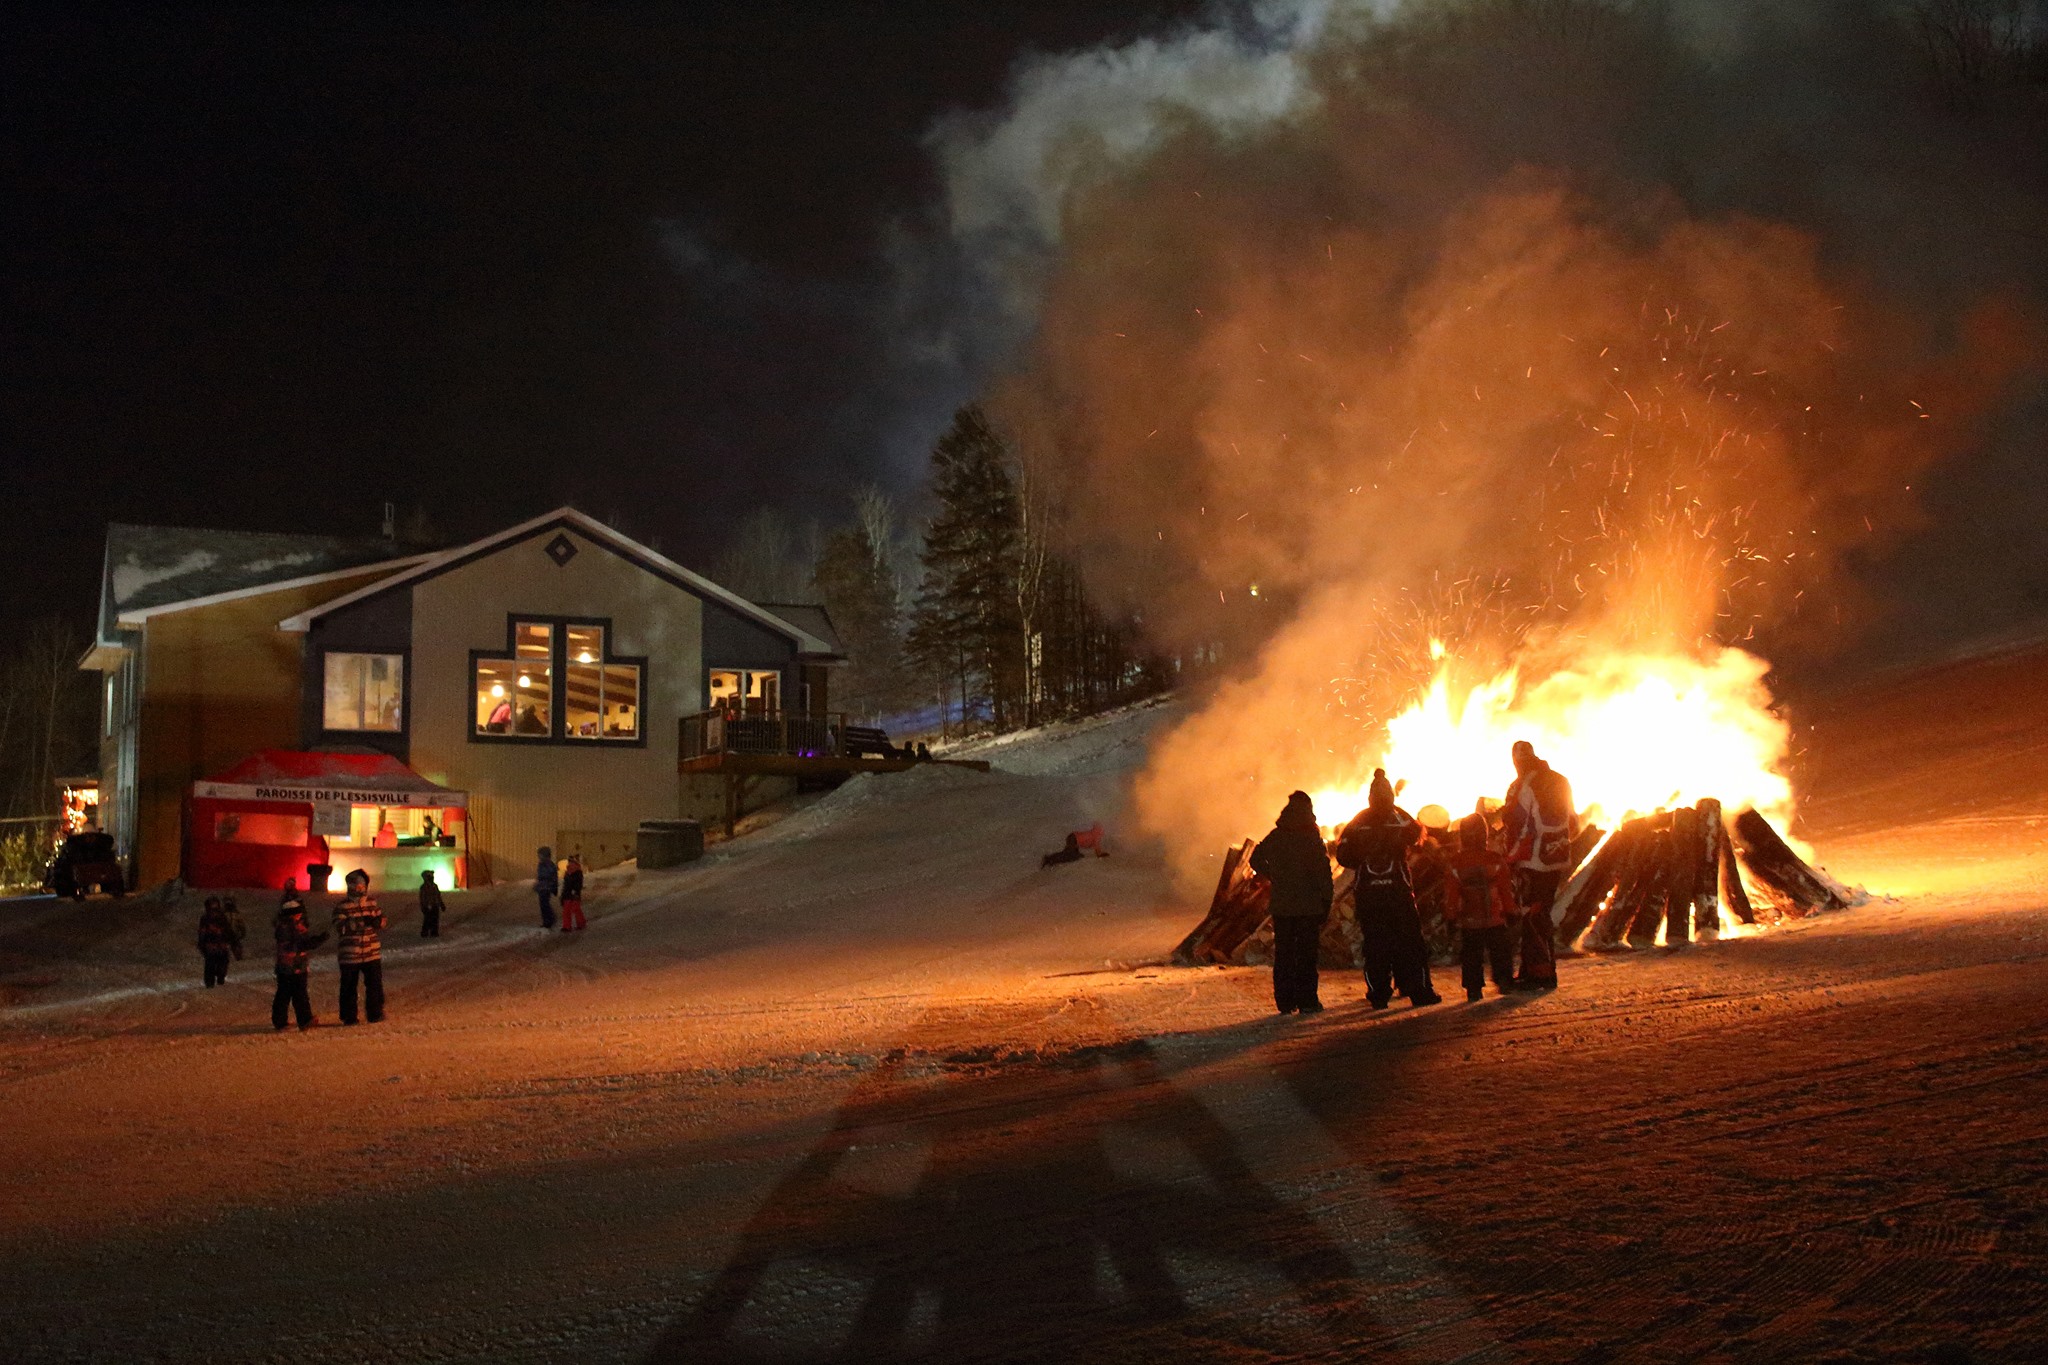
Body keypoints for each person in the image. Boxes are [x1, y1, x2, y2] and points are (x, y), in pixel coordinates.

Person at [1335, 769, 1442, 1009]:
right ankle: (1419, 991)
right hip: (1398, 891)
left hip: (1369, 893)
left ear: (1370, 797)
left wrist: (1363, 861)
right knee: (1410, 943)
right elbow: (1418, 835)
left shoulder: (1358, 821)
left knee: (1375, 944)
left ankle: (1379, 995)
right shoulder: (1399, 818)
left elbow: (1343, 854)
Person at [1502, 740, 1578, 991]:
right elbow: (1573, 821)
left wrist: (1510, 857)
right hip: (1556, 858)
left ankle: (1540, 975)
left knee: (1531, 915)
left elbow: (1515, 823)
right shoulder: (1561, 780)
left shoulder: (1521, 785)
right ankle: (1537, 970)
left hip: (1532, 860)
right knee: (1541, 912)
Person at [1250, 790, 1335, 1015]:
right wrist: (1327, 900)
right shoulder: (1311, 838)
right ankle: (1308, 1001)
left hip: (1283, 907)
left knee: (1284, 955)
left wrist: (1273, 875)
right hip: (1308, 908)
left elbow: (1255, 858)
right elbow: (1323, 873)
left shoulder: (1277, 835)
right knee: (1306, 955)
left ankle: (1285, 1002)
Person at [1447, 814, 1517, 1001]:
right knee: (1500, 951)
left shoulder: (1456, 863)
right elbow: (1505, 890)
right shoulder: (1495, 860)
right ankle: (1504, 980)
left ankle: (1473, 987)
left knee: (1471, 955)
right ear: (1484, 836)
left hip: (1470, 921)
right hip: (1496, 918)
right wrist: (1510, 912)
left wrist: (1451, 917)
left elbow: (1452, 894)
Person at [332, 868, 386, 1025]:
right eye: (358, 885)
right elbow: (339, 926)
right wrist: (361, 923)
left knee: (374, 984)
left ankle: (375, 1012)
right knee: (349, 986)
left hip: (371, 951)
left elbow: (380, 918)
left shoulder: (371, 902)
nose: (361, 888)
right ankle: (349, 1016)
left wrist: (379, 922)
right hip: (351, 954)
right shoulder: (343, 906)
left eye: (363, 885)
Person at [272, 882, 326, 1031]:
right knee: (286, 994)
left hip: (298, 965)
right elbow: (295, 944)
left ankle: (304, 1019)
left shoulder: (296, 925)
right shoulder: (286, 927)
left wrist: (314, 941)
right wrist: (312, 942)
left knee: (299, 993)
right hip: (288, 966)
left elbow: (303, 942)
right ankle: (282, 1021)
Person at [197, 896, 236, 988]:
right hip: (211, 946)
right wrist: (202, 944)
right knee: (210, 965)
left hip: (221, 945)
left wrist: (229, 940)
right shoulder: (205, 919)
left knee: (223, 963)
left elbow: (228, 930)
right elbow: (202, 932)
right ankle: (210, 982)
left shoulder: (222, 917)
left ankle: (220, 977)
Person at [559, 854, 586, 932]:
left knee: (575, 909)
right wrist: (563, 894)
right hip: (568, 894)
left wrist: (576, 891)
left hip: (573, 894)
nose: (570, 864)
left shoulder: (577, 873)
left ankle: (580, 923)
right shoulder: (568, 872)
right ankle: (567, 926)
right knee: (567, 910)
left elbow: (578, 884)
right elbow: (566, 884)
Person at [534, 847, 559, 929]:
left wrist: (552, 886)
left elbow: (549, 876)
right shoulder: (542, 864)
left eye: (540, 854)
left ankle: (548, 921)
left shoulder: (548, 864)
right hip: (543, 887)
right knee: (544, 904)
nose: (538, 856)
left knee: (544, 904)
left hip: (546, 887)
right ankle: (549, 919)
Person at [418, 869, 445, 938]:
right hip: (428, 906)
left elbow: (438, 895)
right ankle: (425, 932)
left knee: (435, 919)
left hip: (435, 905)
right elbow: (423, 897)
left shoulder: (434, 886)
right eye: (430, 877)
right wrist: (424, 906)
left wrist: (441, 904)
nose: (432, 878)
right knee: (427, 919)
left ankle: (434, 932)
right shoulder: (424, 887)